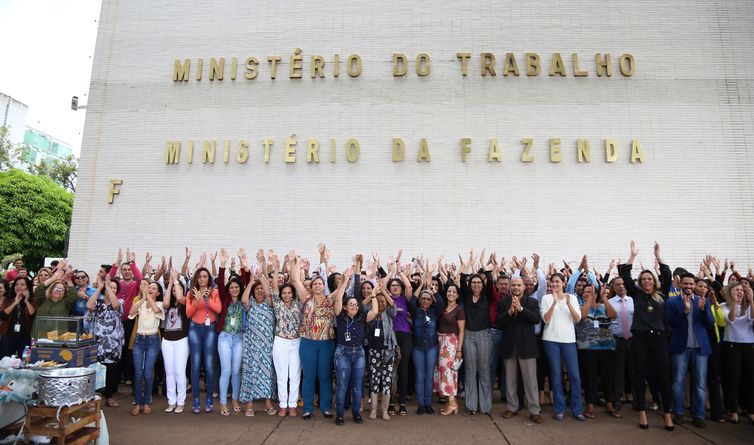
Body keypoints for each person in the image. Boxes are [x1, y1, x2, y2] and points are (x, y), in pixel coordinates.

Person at [618, 241, 674, 431]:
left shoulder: (662, 294)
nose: (647, 281)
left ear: (654, 281)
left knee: (663, 375)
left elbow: (668, 275)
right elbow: (625, 275)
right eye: (644, 279)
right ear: (640, 282)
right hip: (640, 338)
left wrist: (658, 257)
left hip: (659, 339)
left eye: (650, 279)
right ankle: (642, 412)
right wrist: (632, 256)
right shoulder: (636, 294)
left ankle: (667, 414)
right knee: (639, 374)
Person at [290, 247, 337, 420]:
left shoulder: (330, 299)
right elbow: (295, 280)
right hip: (308, 342)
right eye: (314, 283)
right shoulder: (305, 298)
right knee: (309, 376)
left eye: (320, 283)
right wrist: (294, 262)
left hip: (326, 343)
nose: (317, 285)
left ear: (324, 286)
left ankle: (325, 407)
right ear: (311, 286)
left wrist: (323, 258)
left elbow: (328, 277)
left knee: (324, 376)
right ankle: (308, 408)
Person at [666, 272, 714, 428]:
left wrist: (704, 310)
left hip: (700, 347)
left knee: (700, 383)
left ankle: (698, 414)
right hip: (680, 347)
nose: (688, 286)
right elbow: (670, 323)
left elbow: (710, 324)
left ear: (695, 285)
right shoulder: (672, 301)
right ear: (680, 285)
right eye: (685, 284)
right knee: (677, 381)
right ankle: (678, 412)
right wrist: (685, 311)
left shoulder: (703, 300)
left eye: (691, 284)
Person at [333, 268, 378, 425]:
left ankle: (356, 414)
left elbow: (375, 310)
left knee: (358, 386)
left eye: (355, 305)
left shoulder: (362, 318)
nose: (353, 306)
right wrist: (344, 282)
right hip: (342, 353)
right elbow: (338, 300)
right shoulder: (340, 316)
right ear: (345, 307)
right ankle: (339, 414)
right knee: (342, 386)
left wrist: (373, 296)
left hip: (358, 354)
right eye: (350, 304)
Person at [540, 273, 585, 421]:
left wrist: (568, 303)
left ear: (563, 282)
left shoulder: (571, 297)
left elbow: (577, 319)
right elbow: (546, 320)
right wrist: (553, 302)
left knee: (574, 375)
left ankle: (577, 409)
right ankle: (559, 409)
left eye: (557, 281)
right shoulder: (546, 298)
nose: (554, 284)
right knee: (556, 375)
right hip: (550, 340)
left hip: (569, 340)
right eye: (552, 282)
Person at [497, 276, 542, 423]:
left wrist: (521, 309)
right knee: (510, 380)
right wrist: (509, 312)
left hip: (527, 346)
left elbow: (536, 318)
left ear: (524, 287)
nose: (516, 287)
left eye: (519, 285)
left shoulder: (532, 302)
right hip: (509, 346)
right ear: (510, 287)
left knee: (530, 381)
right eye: (514, 285)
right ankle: (512, 407)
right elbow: (499, 323)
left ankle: (534, 410)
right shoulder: (503, 302)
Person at [238, 252, 276, 416]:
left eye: (261, 288)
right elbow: (243, 300)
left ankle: (268, 402)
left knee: (267, 372)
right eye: (257, 289)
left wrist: (261, 278)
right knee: (250, 372)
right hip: (251, 345)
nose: (260, 291)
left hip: (267, 344)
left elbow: (269, 293)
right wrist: (252, 281)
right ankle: (250, 405)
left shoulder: (269, 304)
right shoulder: (251, 303)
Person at [459, 250, 494, 415]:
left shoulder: (487, 297)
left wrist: (485, 267)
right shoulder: (466, 296)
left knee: (484, 369)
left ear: (482, 284)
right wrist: (468, 265)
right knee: (470, 370)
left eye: (479, 283)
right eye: (473, 283)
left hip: (484, 335)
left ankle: (485, 406)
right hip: (468, 336)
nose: (476, 285)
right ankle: (471, 405)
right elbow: (461, 280)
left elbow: (491, 281)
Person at [268, 252, 302, 417]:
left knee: (295, 375)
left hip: (296, 342)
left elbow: (296, 281)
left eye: (289, 292)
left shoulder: (298, 304)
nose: (287, 295)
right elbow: (274, 286)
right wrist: (276, 268)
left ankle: (293, 405)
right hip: (280, 342)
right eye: (284, 293)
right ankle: (283, 405)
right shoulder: (277, 304)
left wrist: (295, 264)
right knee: (282, 376)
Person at [577, 284, 618, 419]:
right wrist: (590, 299)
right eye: (586, 291)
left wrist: (603, 298)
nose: (588, 293)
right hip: (588, 348)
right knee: (590, 377)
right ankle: (590, 405)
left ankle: (609, 404)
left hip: (607, 347)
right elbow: (582, 316)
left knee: (608, 377)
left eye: (591, 291)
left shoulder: (603, 307)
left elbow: (613, 315)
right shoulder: (580, 306)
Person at [185, 267, 221, 414]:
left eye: (205, 276)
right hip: (194, 329)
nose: (202, 279)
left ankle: (209, 399)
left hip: (210, 329)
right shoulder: (191, 293)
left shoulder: (214, 292)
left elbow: (218, 309)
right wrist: (196, 301)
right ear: (196, 279)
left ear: (208, 279)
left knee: (209, 365)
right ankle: (195, 400)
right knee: (195, 364)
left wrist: (206, 300)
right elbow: (188, 313)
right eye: (199, 277)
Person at [86, 274, 124, 408]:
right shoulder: (98, 302)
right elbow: (89, 305)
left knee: (112, 372)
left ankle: (109, 396)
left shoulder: (120, 302)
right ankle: (95, 397)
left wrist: (108, 287)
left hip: (113, 344)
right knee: (95, 370)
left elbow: (115, 305)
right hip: (98, 343)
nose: (111, 289)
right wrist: (100, 288)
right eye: (110, 287)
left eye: (114, 288)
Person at [409, 264, 442, 416]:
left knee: (429, 376)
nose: (426, 300)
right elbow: (412, 300)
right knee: (420, 375)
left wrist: (432, 290)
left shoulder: (435, 312)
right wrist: (422, 285)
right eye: (424, 298)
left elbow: (440, 302)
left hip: (431, 347)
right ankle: (421, 404)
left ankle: (428, 402)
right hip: (417, 348)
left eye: (428, 299)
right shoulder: (415, 311)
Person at [719, 281, 754, 424]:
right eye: (736, 290)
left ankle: (750, 409)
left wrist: (751, 300)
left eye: (741, 290)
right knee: (733, 378)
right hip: (732, 345)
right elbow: (731, 319)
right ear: (730, 292)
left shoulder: (749, 306)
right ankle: (733, 410)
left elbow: (752, 318)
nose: (739, 292)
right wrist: (733, 302)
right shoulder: (724, 306)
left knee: (750, 379)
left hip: (750, 345)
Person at [384, 251, 414, 416]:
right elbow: (382, 286)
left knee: (403, 369)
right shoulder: (386, 299)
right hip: (390, 337)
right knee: (390, 371)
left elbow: (409, 286)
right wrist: (390, 274)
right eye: (392, 285)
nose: (395, 287)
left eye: (397, 285)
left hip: (405, 336)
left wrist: (399, 267)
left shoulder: (404, 300)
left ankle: (401, 402)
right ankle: (390, 403)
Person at [128, 280, 165, 415]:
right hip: (139, 339)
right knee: (138, 373)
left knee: (148, 373)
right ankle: (138, 403)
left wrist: (147, 296)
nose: (150, 289)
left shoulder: (160, 304)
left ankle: (147, 402)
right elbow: (131, 312)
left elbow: (156, 310)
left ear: (158, 293)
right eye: (149, 287)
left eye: (154, 288)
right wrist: (143, 298)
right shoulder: (141, 302)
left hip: (153, 340)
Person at [365, 276, 397, 420]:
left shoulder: (389, 314)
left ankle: (384, 411)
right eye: (378, 302)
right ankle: (373, 410)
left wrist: (383, 292)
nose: (381, 303)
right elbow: (363, 305)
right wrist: (373, 294)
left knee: (386, 380)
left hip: (388, 350)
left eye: (382, 301)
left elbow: (393, 305)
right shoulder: (370, 314)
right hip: (373, 351)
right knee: (375, 379)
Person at [434, 281, 465, 416]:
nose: (451, 293)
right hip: (441, 342)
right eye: (449, 291)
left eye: (453, 292)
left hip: (451, 344)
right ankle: (451, 401)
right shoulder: (444, 308)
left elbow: (461, 331)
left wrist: (459, 350)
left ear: (457, 295)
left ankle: (452, 403)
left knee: (449, 373)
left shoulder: (459, 310)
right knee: (443, 372)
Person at [161, 268, 189, 414]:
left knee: (179, 371)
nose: (174, 293)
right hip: (167, 340)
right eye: (172, 290)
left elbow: (179, 297)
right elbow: (166, 303)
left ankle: (181, 401)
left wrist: (176, 281)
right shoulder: (168, 304)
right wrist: (170, 284)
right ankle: (171, 401)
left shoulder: (185, 302)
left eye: (176, 290)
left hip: (181, 340)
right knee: (169, 372)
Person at [0, 277, 36, 358]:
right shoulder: (7, 299)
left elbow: (32, 315)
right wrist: (15, 303)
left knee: (24, 361)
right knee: (5, 361)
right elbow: (2, 316)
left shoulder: (32, 300)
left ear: (27, 287)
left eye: (22, 285)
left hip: (26, 336)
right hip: (8, 335)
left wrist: (26, 301)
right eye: (16, 284)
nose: (19, 286)